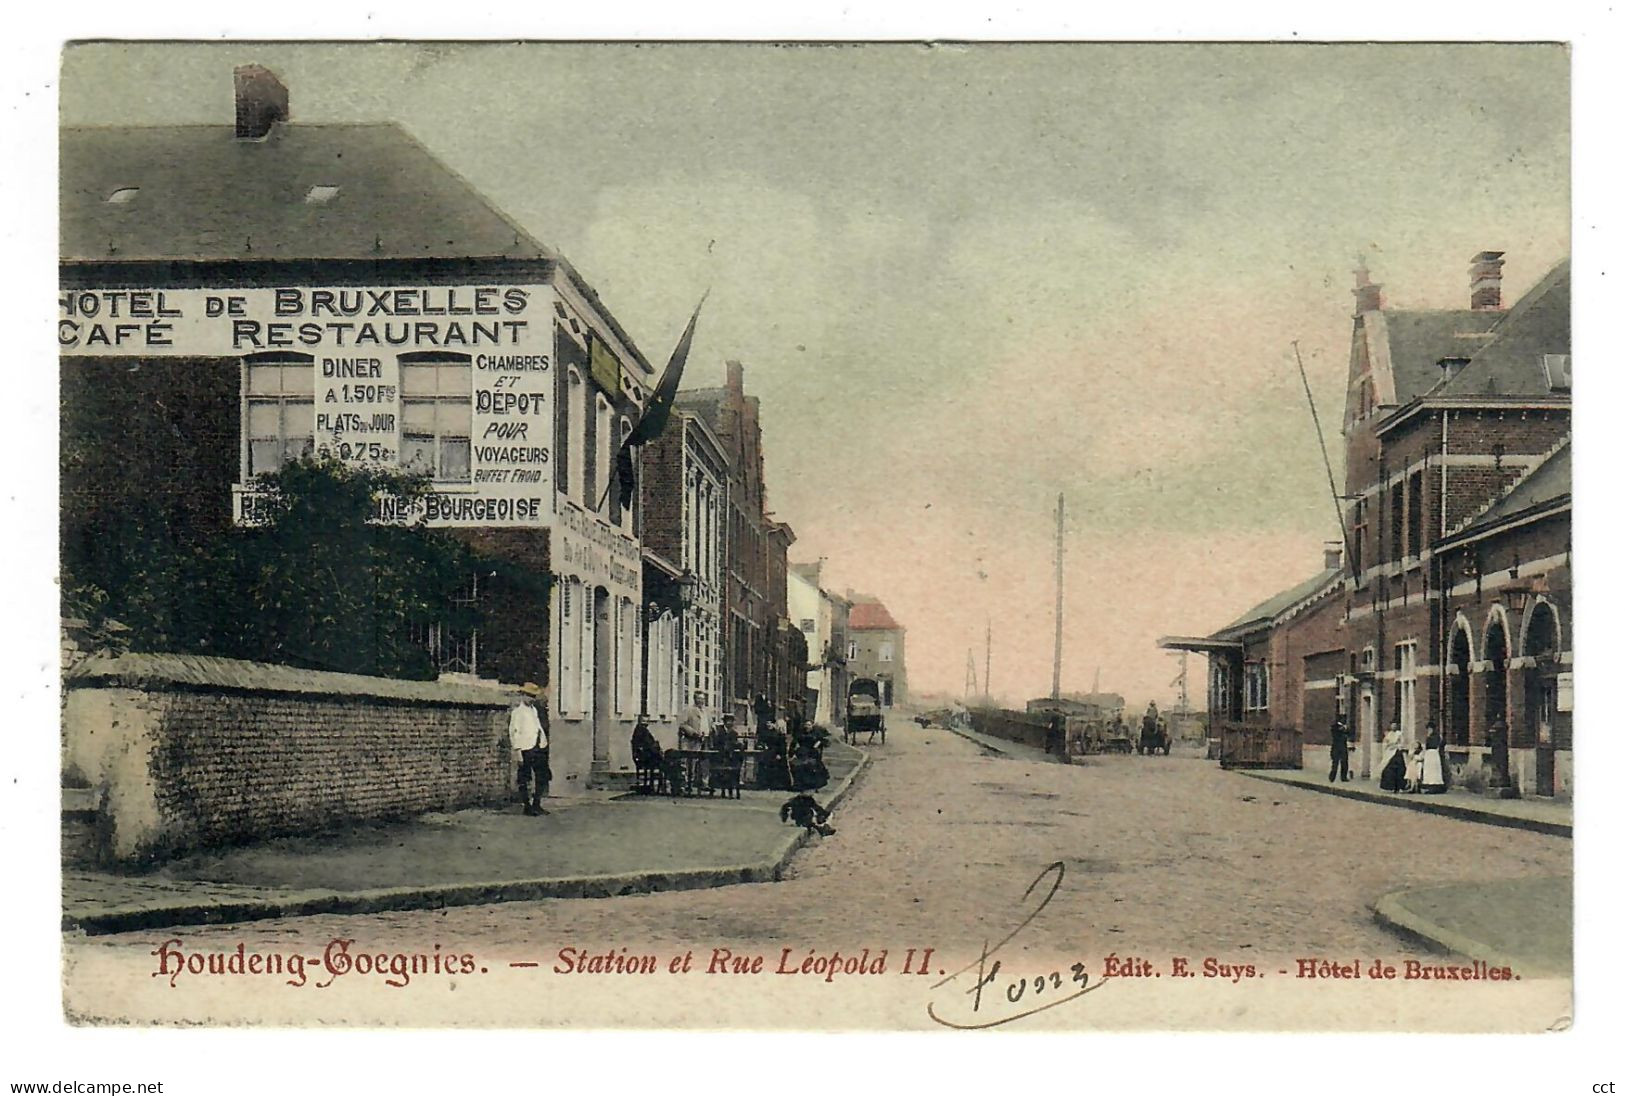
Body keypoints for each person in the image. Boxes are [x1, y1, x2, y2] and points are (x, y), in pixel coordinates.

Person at [509, 682, 550, 816]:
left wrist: (543, 741)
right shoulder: (518, 712)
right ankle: (527, 806)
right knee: (524, 778)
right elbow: (514, 732)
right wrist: (518, 751)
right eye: (529, 696)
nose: (531, 699)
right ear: (523, 696)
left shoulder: (534, 710)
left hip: (538, 746)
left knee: (542, 775)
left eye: (533, 696)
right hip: (526, 748)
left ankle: (537, 804)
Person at [631, 718, 663, 794]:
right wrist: (656, 749)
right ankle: (654, 785)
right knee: (661, 762)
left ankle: (652, 785)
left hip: (644, 757)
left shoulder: (638, 731)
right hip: (646, 758)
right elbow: (648, 744)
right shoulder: (642, 732)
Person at [1378, 719, 1406, 793]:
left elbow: (1402, 744)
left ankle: (1399, 787)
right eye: (1392, 725)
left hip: (1397, 753)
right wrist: (1388, 746)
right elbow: (1385, 743)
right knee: (1388, 769)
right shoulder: (1388, 734)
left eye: (1395, 725)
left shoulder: (1399, 734)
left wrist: (1396, 746)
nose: (1393, 726)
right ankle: (1390, 787)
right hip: (1389, 752)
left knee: (1399, 770)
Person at [1421, 721, 1447, 794]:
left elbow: (1434, 744)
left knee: (1433, 770)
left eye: (1430, 729)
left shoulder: (1436, 737)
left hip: (1433, 753)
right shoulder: (1429, 736)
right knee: (1429, 770)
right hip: (1429, 754)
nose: (1429, 731)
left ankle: (1435, 786)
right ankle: (1429, 786)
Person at [1327, 718, 1352, 783]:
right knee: (1335, 763)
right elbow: (1336, 735)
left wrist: (1345, 730)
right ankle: (1332, 777)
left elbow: (1349, 734)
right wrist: (1343, 730)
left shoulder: (1345, 728)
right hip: (1336, 748)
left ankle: (1343, 777)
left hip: (1343, 747)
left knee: (1344, 763)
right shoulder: (1335, 727)